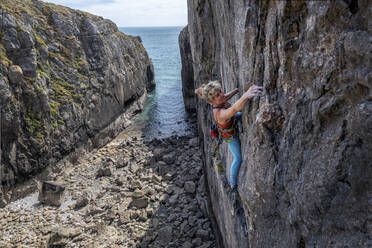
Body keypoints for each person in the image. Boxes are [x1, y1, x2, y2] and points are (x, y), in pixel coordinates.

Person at [195, 80, 263, 191]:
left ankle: (240, 127)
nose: (221, 94)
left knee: (239, 116)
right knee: (238, 158)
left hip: (232, 122)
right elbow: (235, 108)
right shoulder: (220, 114)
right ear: (212, 101)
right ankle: (233, 182)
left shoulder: (218, 100)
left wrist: (236, 91)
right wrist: (245, 95)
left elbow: (225, 97)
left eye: (220, 91)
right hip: (230, 137)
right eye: (218, 95)